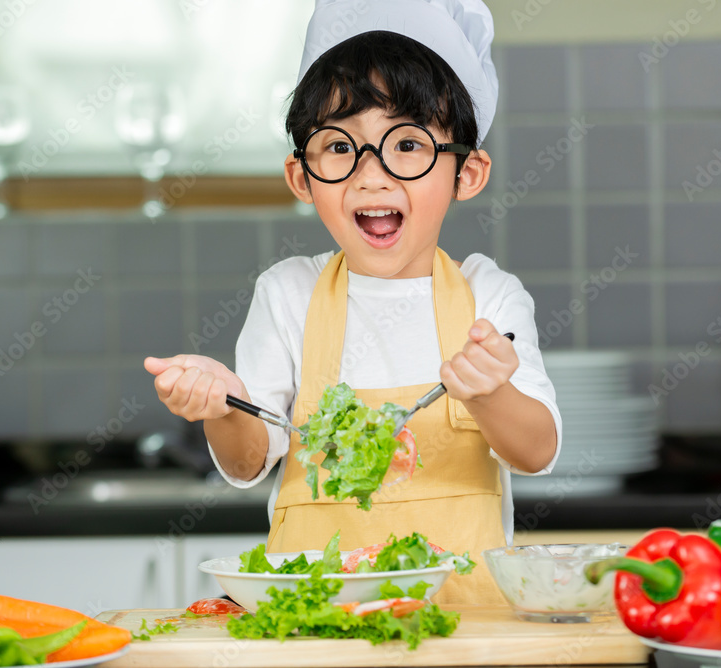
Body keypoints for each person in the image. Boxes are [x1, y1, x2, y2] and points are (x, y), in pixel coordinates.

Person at [144, 0, 561, 605]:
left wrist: (492, 392)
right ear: (302, 177)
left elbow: (536, 451)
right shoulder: (287, 293)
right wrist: (219, 406)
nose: (372, 176)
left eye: (408, 145)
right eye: (339, 148)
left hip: (461, 632)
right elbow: (247, 462)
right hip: (315, 629)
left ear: (466, 173)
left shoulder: (488, 296)